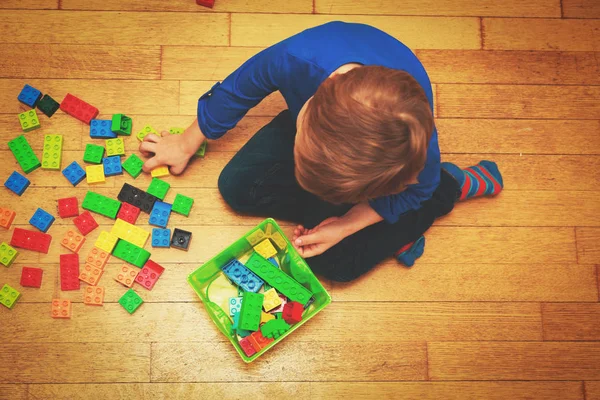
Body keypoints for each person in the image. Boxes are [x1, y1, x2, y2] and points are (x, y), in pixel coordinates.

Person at [139, 21, 503, 282]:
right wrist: (186, 141)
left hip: (394, 174)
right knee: (235, 186)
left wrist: (346, 225)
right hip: (319, 126)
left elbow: (413, 189)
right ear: (320, 93)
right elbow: (238, 89)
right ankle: (375, 224)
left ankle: (450, 186)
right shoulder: (298, 57)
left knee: (336, 267)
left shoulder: (416, 154)